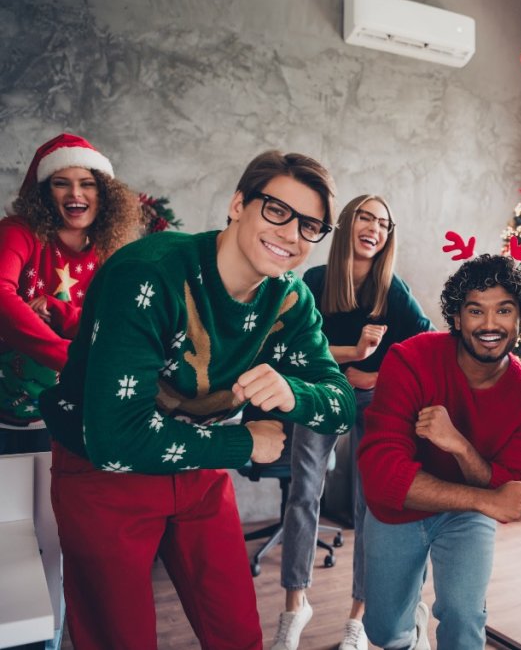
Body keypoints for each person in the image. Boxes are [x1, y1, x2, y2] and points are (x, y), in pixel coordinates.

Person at [39, 150, 356, 650]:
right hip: (101, 469)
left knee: (236, 632)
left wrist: (292, 392)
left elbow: (341, 404)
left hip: (196, 465)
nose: (292, 235)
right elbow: (116, 438)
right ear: (238, 204)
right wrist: (244, 443)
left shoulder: (290, 298)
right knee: (119, 638)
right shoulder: (147, 274)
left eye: (311, 225)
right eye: (277, 210)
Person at [357, 254, 521, 650]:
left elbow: (513, 496)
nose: (490, 324)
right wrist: (487, 496)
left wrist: (460, 447)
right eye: (476, 310)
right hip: (399, 512)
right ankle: (409, 628)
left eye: (504, 311)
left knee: (465, 620)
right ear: (458, 318)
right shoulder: (409, 360)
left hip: (466, 518)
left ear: (520, 321)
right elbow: (382, 479)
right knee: (383, 630)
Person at [271, 194, 433, 650]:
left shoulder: (391, 289)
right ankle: (294, 605)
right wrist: (349, 360)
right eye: (366, 217)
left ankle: (358, 618)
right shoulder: (315, 281)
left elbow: (424, 347)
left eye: (383, 223)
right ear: (346, 225)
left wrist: (377, 373)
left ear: (387, 236)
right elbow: (299, 349)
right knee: (304, 493)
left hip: (375, 401)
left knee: (368, 506)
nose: (374, 228)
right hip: (321, 396)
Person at [0, 133, 139, 453]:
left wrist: (59, 311)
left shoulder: (110, 254)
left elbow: (115, 328)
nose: (75, 193)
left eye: (87, 183)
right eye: (61, 182)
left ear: (104, 193)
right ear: (44, 193)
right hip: (6, 416)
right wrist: (69, 356)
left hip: (73, 416)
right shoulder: (18, 233)